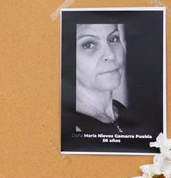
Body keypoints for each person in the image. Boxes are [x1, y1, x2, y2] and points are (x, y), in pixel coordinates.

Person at [61, 13, 164, 154]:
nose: (110, 54)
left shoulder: (126, 114)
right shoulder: (70, 127)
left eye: (113, 39)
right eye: (88, 44)